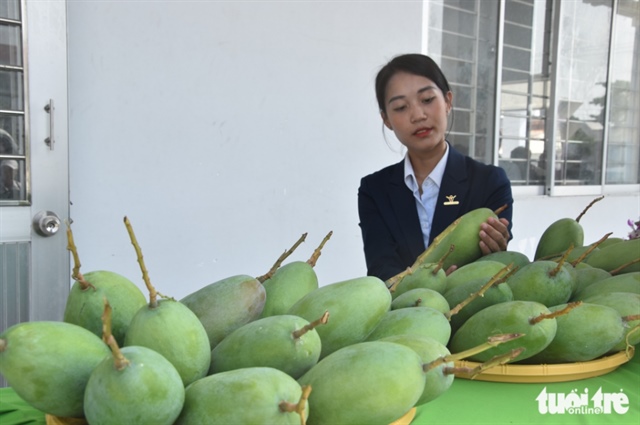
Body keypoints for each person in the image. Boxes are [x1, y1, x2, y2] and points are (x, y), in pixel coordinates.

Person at [358, 53, 513, 281]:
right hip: (402, 313)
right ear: (387, 120)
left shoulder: (490, 182)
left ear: (448, 101)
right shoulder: (374, 190)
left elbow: (490, 270)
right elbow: (381, 269)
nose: (418, 115)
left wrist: (497, 252)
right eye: (401, 107)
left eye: (427, 100)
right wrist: (425, 288)